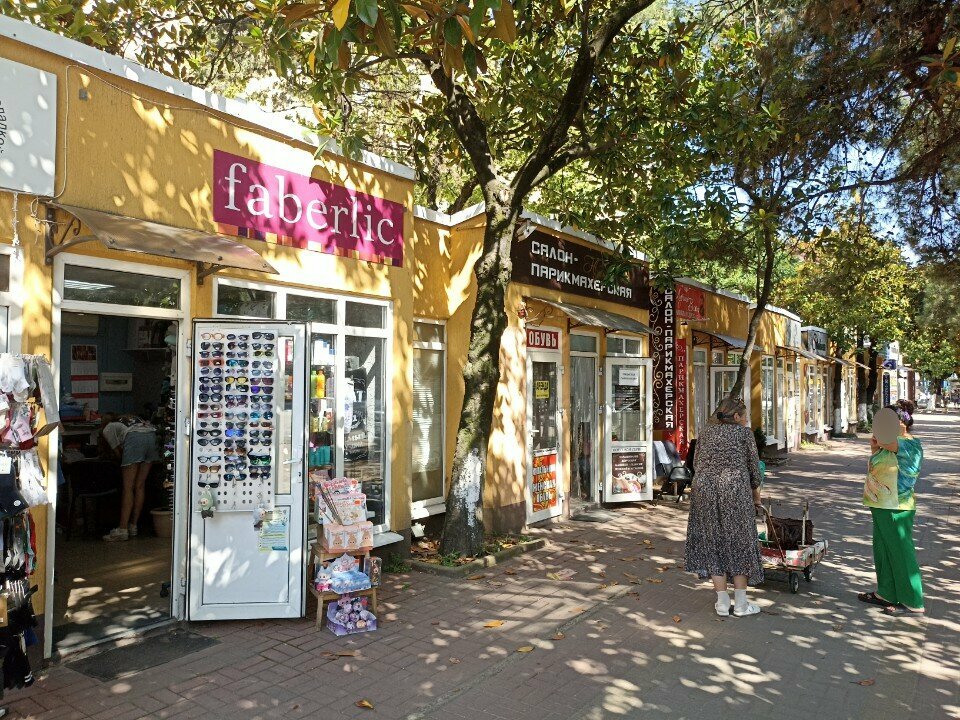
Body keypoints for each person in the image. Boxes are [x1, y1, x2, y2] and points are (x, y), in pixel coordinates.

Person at [684, 397, 764, 617]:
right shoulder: (744, 434)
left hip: (704, 490)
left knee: (712, 540)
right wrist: (756, 497)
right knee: (740, 542)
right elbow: (754, 471)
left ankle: (722, 603)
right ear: (736, 416)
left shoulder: (706, 432)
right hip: (734, 490)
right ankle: (741, 604)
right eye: (745, 416)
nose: (747, 420)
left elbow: (696, 463)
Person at [858, 405, 925, 615]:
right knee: (883, 551)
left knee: (900, 553)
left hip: (896, 507)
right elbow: (878, 463)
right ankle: (886, 592)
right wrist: (875, 449)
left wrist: (879, 442)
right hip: (881, 506)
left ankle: (912, 600)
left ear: (902, 423)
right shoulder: (890, 444)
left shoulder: (909, 444)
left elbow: (889, 444)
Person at [100, 415, 159, 542]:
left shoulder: (108, 428)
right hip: (151, 436)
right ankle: (133, 525)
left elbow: (118, 454)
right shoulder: (128, 419)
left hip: (134, 438)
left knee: (128, 488)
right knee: (140, 485)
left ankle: (122, 529)